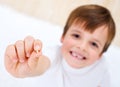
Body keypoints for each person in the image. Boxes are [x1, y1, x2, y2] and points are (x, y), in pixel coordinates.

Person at [4, 4, 116, 87]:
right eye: (76, 36)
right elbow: (40, 64)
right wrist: (29, 68)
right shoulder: (53, 55)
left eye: (94, 44)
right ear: (63, 36)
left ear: (100, 54)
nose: (82, 47)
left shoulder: (101, 67)